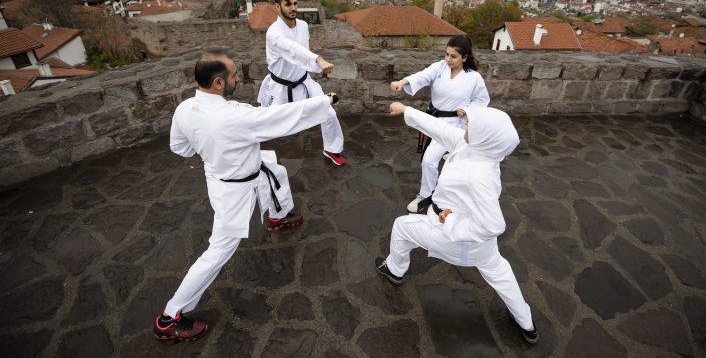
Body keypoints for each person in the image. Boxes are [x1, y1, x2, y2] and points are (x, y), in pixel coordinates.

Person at [153, 51, 338, 342]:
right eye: (234, 75)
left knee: (272, 168)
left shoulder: (185, 109)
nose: (238, 78)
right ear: (217, 83)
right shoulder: (236, 117)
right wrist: (324, 103)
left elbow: (181, 148)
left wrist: (213, 151)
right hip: (235, 190)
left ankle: (278, 216)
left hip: (220, 175)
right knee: (218, 252)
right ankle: (170, 316)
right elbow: (283, 117)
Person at [375, 102, 538, 345]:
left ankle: (395, 269)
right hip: (483, 248)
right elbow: (440, 129)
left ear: (486, 136)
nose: (466, 125)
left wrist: (451, 222)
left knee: (401, 226)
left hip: (452, 237)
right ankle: (526, 323)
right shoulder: (473, 146)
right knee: (501, 274)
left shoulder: (479, 175)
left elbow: (493, 225)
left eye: (473, 125)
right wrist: (406, 110)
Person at [390, 35, 489, 213]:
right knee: (438, 158)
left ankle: (426, 194)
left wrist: (468, 110)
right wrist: (402, 82)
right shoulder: (440, 67)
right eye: (447, 54)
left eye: (453, 56)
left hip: (454, 123)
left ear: (464, 58)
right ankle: (440, 172)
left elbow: (482, 100)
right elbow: (422, 76)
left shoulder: (474, 78)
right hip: (434, 119)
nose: (448, 59)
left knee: (429, 160)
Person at [257, 0, 346, 166]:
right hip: (280, 87)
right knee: (265, 123)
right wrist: (318, 60)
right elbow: (293, 51)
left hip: (303, 81)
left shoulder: (303, 26)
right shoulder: (274, 33)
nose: (293, 8)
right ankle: (248, 152)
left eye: (295, 3)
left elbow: (303, 52)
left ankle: (332, 149)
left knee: (329, 113)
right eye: (288, 4)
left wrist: (313, 62)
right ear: (277, 7)